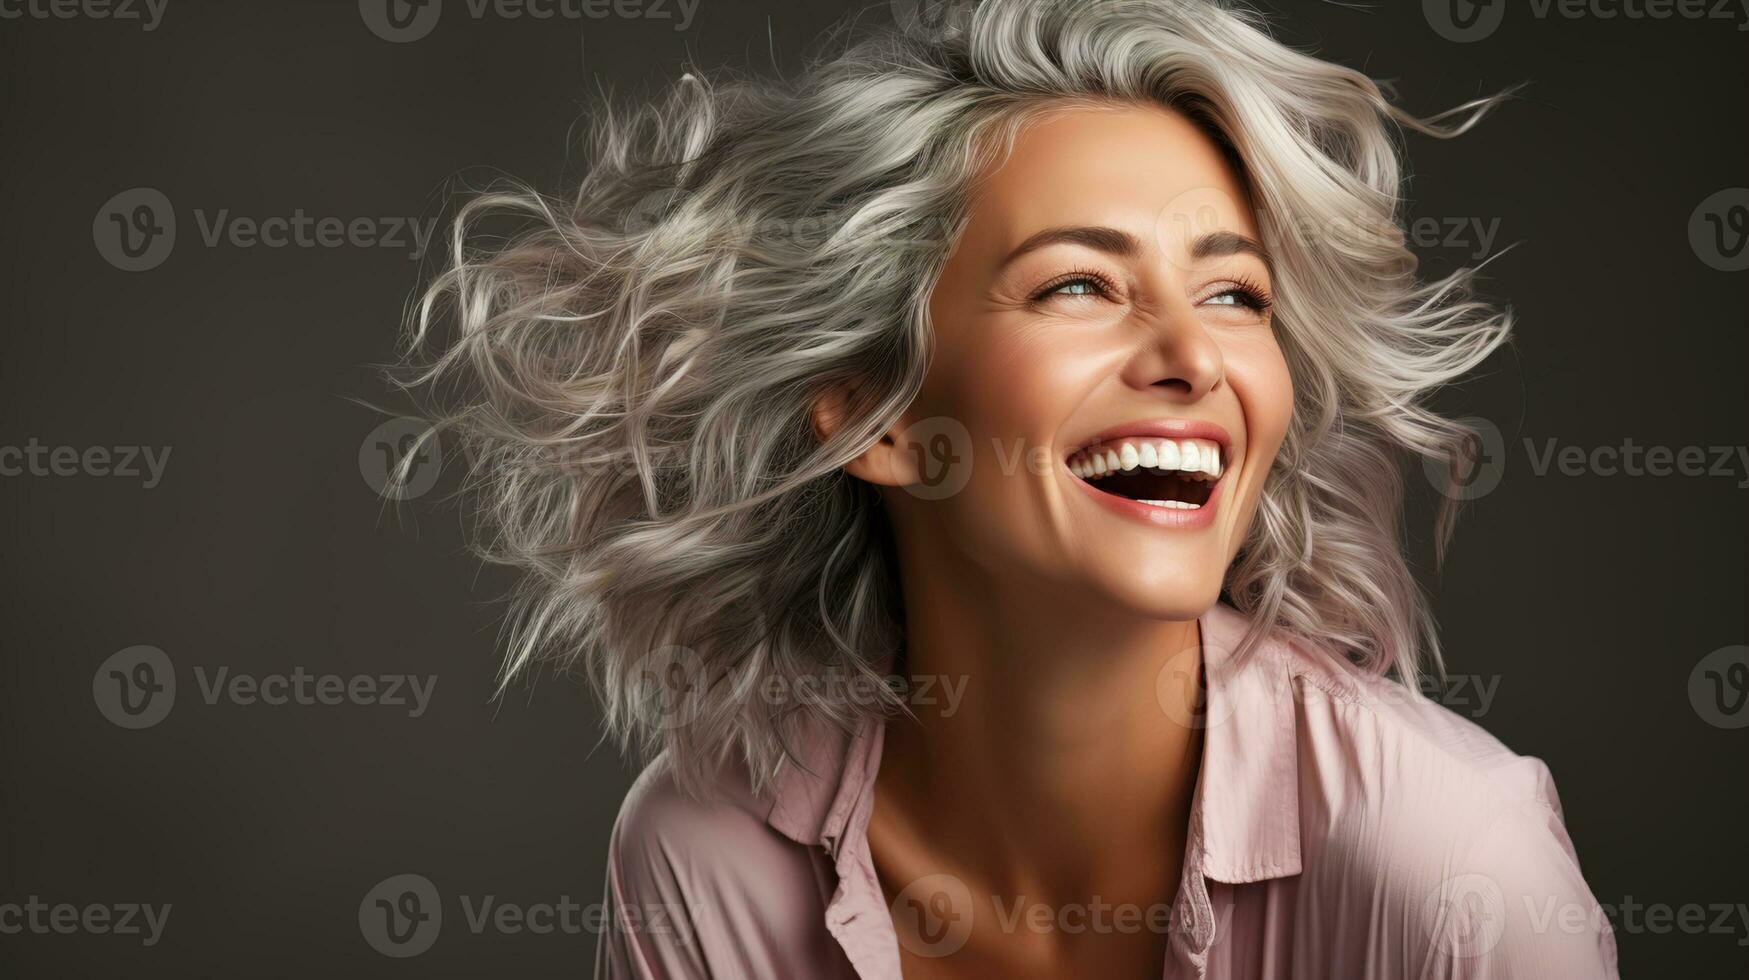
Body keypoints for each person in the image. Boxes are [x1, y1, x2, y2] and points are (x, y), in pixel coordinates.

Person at [398, 1, 1619, 976]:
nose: (1194, 357)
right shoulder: (710, 856)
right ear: (880, 418)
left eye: (1236, 293)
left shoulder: (1452, 865)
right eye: (1079, 285)